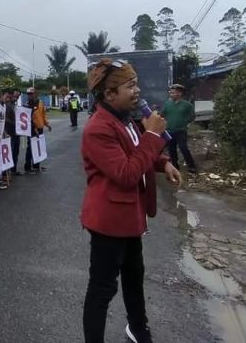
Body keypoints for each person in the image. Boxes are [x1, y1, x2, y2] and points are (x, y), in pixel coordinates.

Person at [81, 59, 182, 343]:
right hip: (109, 222)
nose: (137, 91)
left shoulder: (124, 119)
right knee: (102, 289)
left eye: (136, 83)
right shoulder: (97, 129)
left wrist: (163, 163)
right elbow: (125, 173)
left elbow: (136, 151)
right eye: (129, 86)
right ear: (109, 94)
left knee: (134, 278)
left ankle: (137, 329)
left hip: (129, 219)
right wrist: (152, 134)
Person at [162, 84, 198, 174]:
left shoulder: (187, 105)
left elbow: (192, 116)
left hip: (181, 131)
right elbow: (163, 114)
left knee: (183, 148)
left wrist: (184, 122)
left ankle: (192, 166)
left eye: (173, 92)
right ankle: (175, 166)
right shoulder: (167, 104)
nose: (170, 94)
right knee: (171, 150)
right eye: (170, 92)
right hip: (169, 131)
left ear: (179, 93)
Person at [24, 87, 52, 174]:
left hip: (40, 128)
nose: (30, 96)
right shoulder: (27, 105)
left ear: (35, 94)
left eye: (31, 94)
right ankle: (28, 167)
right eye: (28, 94)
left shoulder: (40, 103)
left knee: (38, 147)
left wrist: (47, 124)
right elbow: (28, 119)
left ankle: (36, 165)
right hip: (32, 129)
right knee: (30, 148)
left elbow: (43, 114)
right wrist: (34, 128)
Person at [7, 88, 22, 174]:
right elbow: (5, 119)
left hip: (17, 132)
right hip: (10, 132)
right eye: (15, 96)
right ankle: (8, 171)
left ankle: (14, 169)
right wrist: (15, 123)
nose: (16, 97)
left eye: (18, 96)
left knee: (16, 151)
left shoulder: (16, 105)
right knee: (11, 151)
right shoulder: (8, 105)